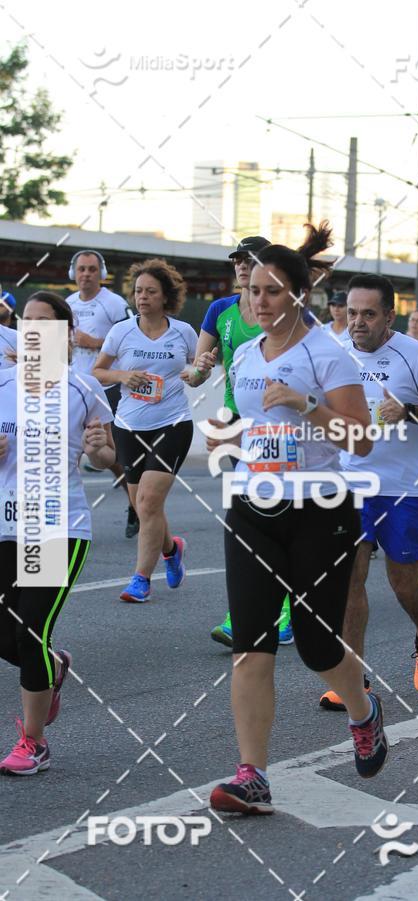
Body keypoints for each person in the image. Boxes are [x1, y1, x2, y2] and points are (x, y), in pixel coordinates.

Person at [209, 225, 389, 815]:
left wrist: (306, 406)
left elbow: (360, 441)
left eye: (273, 291)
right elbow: (252, 426)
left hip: (322, 510)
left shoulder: (326, 355)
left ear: (298, 296)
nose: (259, 301)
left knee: (315, 647)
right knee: (250, 645)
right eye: (254, 290)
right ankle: (251, 776)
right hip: (253, 506)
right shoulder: (241, 353)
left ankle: (362, 710)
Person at [319, 273, 418, 713]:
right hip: (350, 481)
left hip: (405, 487)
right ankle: (351, 679)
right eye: (353, 312)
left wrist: (411, 411)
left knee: (403, 584)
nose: (357, 322)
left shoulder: (414, 355)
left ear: (389, 316)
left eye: (368, 314)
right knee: (349, 579)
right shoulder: (333, 353)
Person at [0, 291, 115, 775]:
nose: (34, 331)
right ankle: (54, 664)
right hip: (6, 522)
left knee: (29, 631)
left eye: (45, 323)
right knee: (11, 635)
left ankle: (34, 742)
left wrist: (97, 449)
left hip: (55, 525)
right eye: (28, 322)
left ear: (65, 334)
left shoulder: (83, 389)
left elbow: (108, 459)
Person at [188, 237, 293, 647]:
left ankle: (282, 613)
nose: (241, 267)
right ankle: (248, 613)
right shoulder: (220, 311)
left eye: (249, 261)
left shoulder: (284, 310)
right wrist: (198, 370)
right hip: (235, 422)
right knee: (249, 516)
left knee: (271, 515)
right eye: (237, 261)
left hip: (275, 423)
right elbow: (198, 371)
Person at [93, 259, 198, 604]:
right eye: (138, 291)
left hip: (173, 423)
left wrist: (199, 372)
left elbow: (198, 371)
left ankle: (140, 579)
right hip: (128, 425)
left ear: (166, 296)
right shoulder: (121, 331)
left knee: (150, 501)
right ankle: (171, 548)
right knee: (142, 506)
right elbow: (98, 370)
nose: (142, 297)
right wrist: (123, 377)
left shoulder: (183, 331)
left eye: (150, 291)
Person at [66, 249, 139, 538]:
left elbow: (131, 336)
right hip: (73, 387)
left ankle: (135, 502)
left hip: (106, 389)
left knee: (112, 456)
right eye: (81, 269)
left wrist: (94, 341)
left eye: (92, 270)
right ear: (73, 274)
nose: (86, 274)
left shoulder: (113, 303)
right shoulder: (68, 303)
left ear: (102, 273)